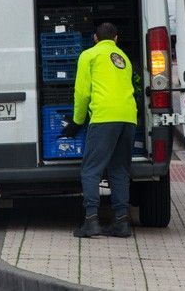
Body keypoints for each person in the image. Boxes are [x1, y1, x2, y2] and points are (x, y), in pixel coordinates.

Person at [60, 22, 137, 238]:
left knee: (91, 170)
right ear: (116, 39)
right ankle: (122, 222)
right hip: (128, 118)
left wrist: (76, 122)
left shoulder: (89, 55)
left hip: (104, 118)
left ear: (95, 38)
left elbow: (82, 93)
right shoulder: (124, 58)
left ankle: (91, 221)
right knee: (120, 170)